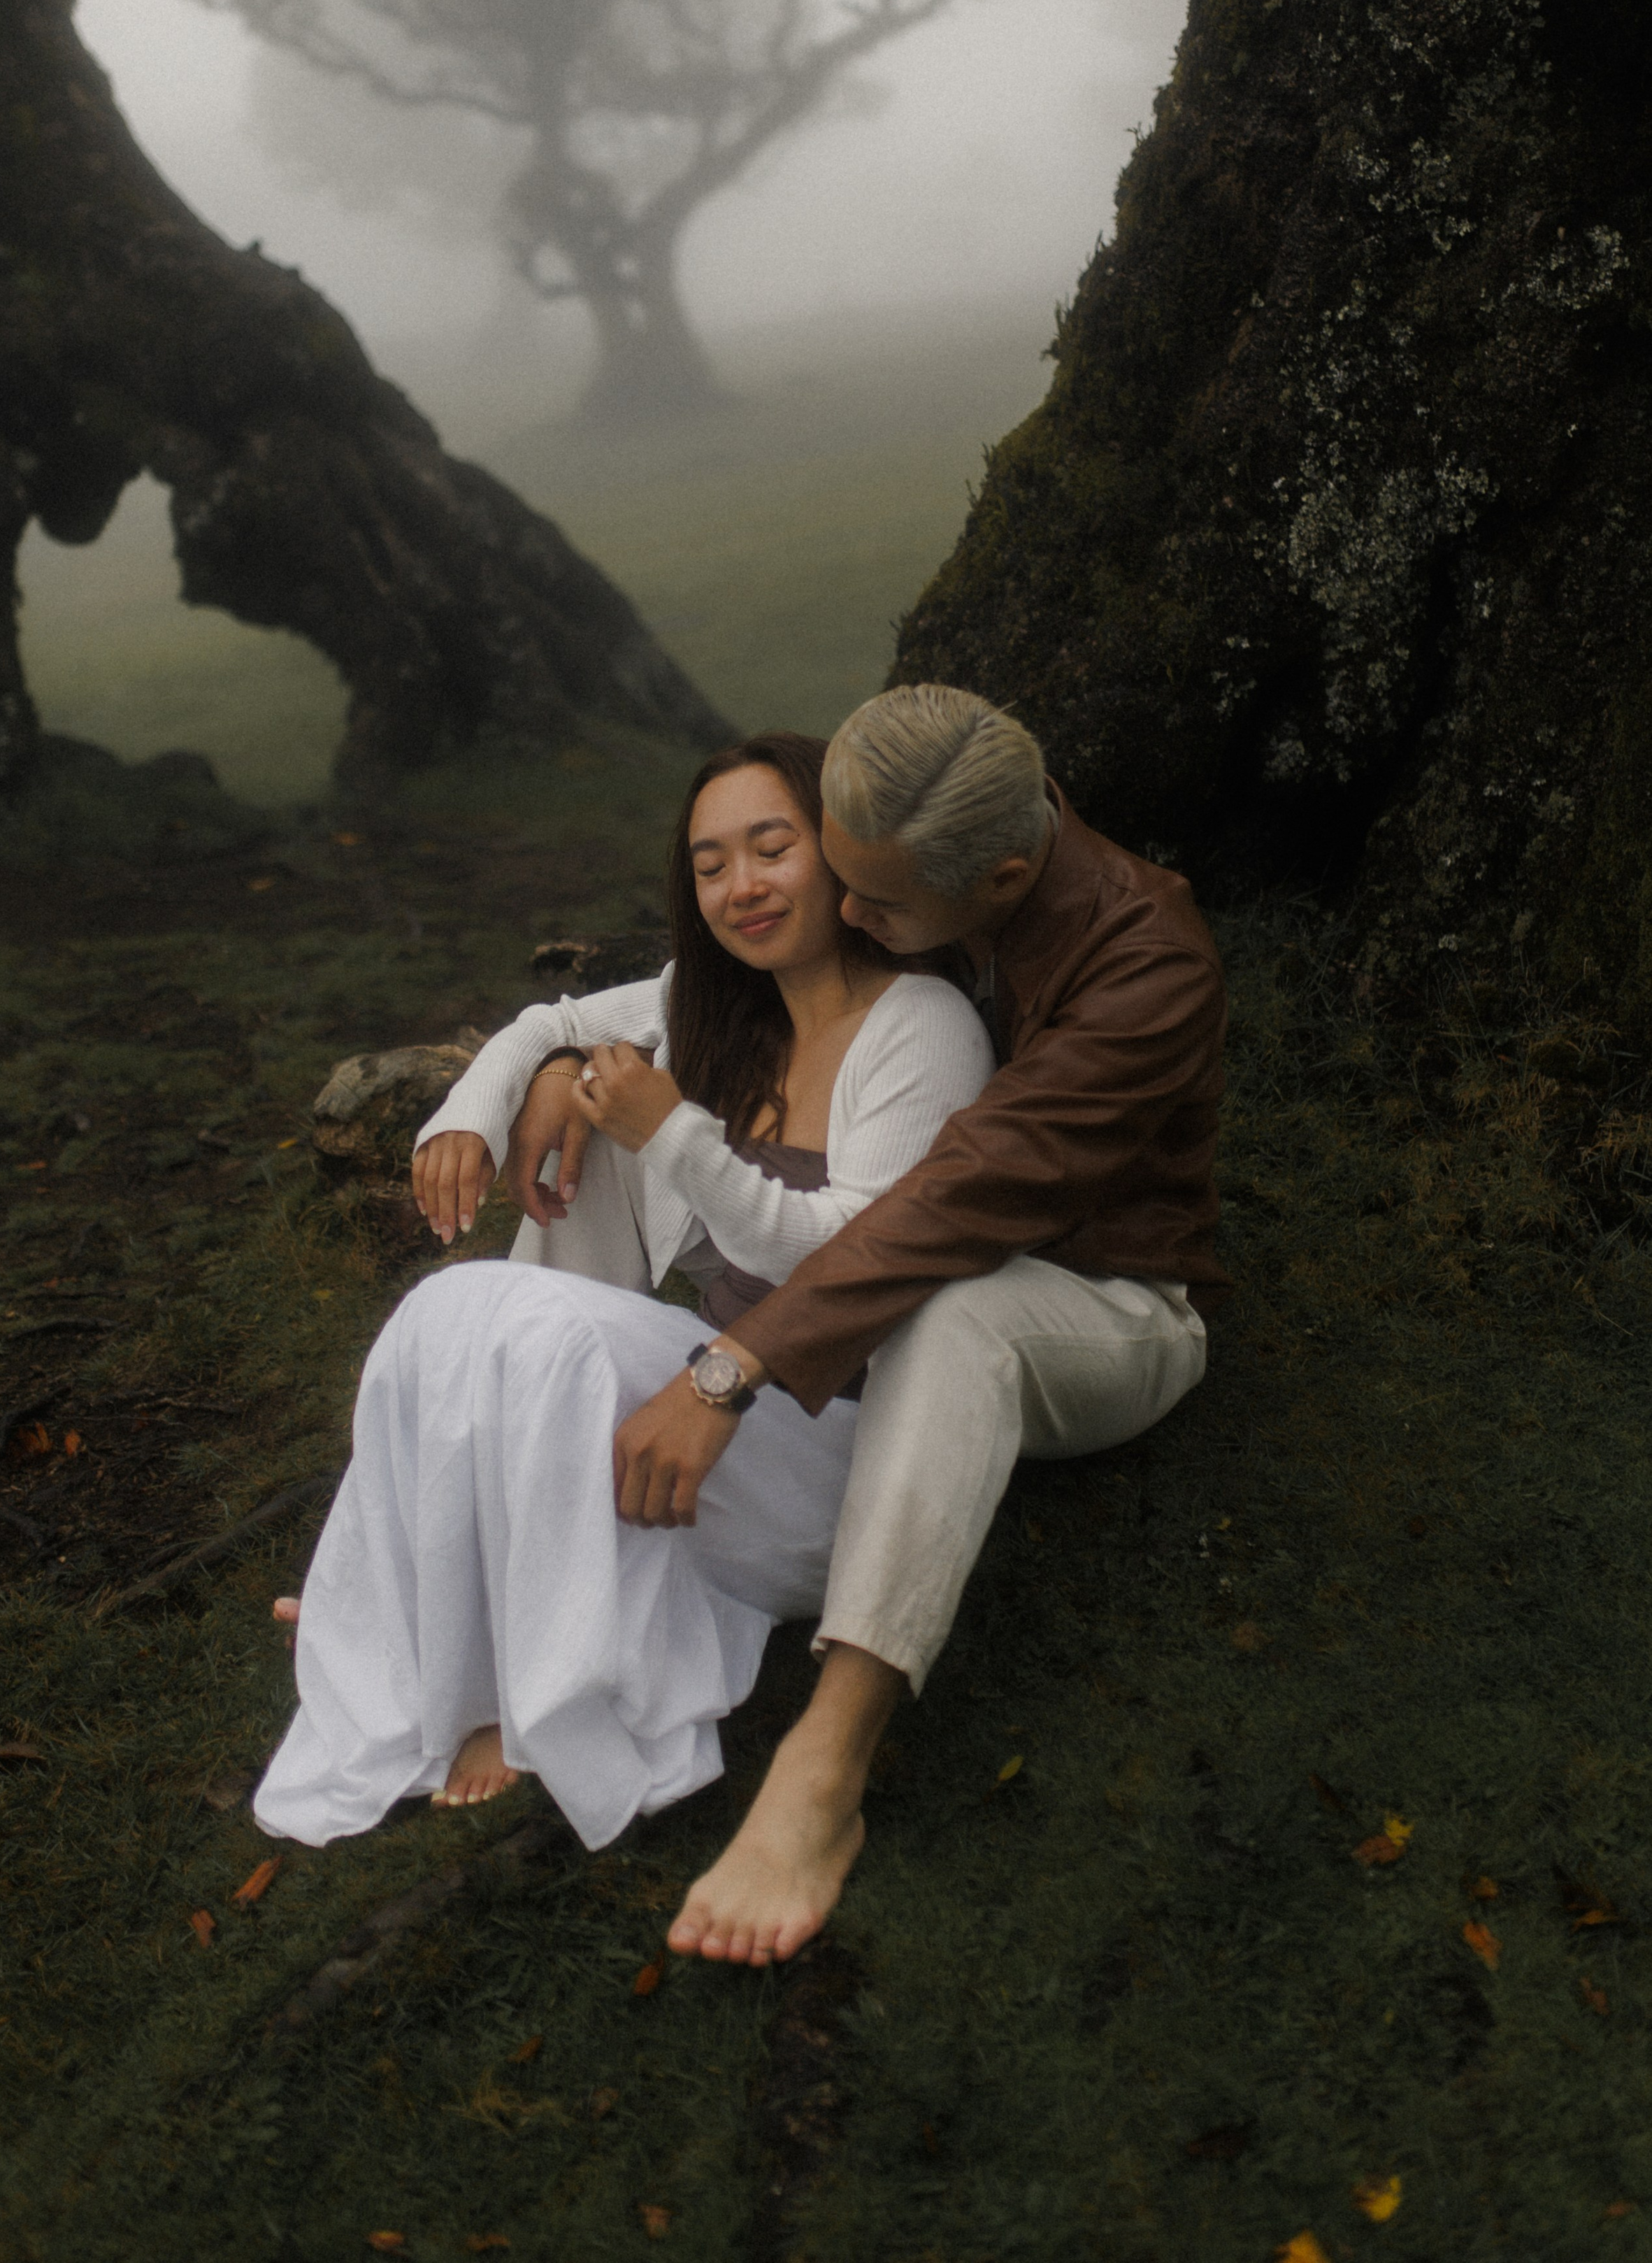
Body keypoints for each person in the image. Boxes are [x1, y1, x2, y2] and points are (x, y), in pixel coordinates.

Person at [476, 685, 1229, 1968]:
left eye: (872, 902)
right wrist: (553, 1066)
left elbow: (950, 1208)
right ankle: (491, 1573)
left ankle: (826, 1764)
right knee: (909, 1294)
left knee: (959, 1316)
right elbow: (647, 1012)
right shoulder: (940, 793)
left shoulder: (1145, 970)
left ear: (998, 879)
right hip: (902, 1274)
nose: (843, 906)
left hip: (1100, 1305)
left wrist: (729, 1367)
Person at [252, 733, 992, 1874]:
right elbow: (552, 1022)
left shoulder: (922, 1029)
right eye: (709, 865)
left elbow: (850, 1271)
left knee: (544, 1332)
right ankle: (413, 1596)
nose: (739, 887)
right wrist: (482, 1109)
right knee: (446, 1313)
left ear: (842, 854)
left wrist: (671, 1133)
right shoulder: (715, 999)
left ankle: (534, 1691)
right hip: (714, 1405)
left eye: (771, 848)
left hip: (840, 1445)